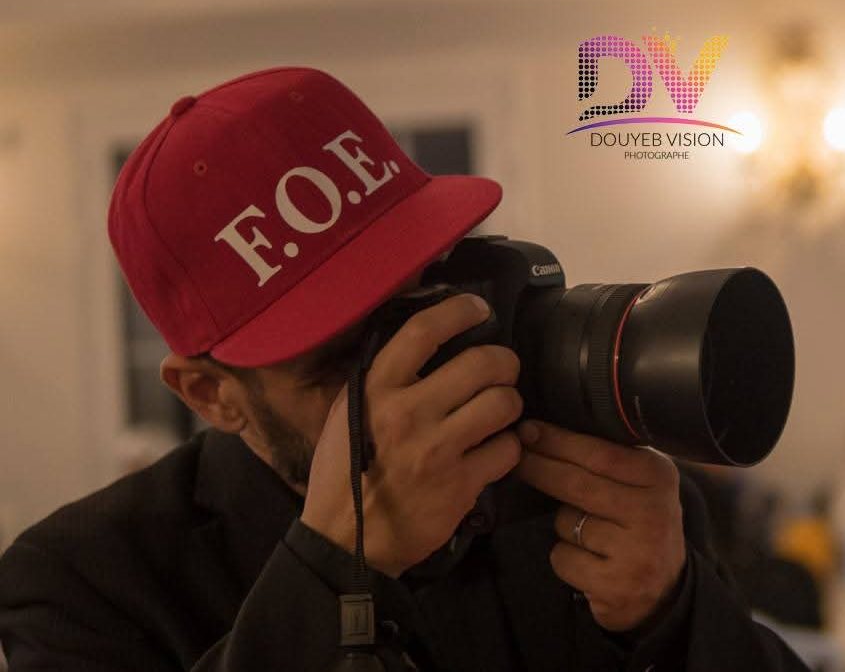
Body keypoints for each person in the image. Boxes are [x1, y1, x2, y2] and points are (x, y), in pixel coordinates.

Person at [0, 66, 809, 671]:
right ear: (215, 396)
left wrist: (670, 616)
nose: (414, 382)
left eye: (422, 306)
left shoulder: (581, 487)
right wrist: (327, 571)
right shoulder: (86, 580)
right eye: (342, 362)